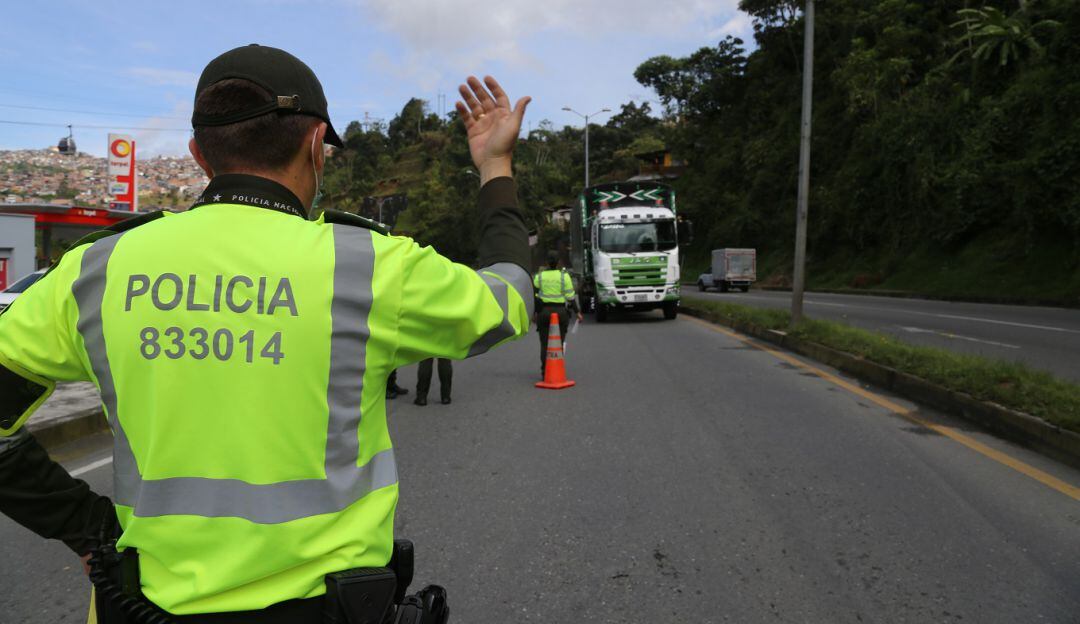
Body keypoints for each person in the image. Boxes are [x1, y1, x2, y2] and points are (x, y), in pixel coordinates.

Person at [0, 44, 533, 622]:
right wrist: (494, 167)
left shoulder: (95, 271)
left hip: (141, 605)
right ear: (315, 145)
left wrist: (87, 529)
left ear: (199, 155)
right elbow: (507, 298)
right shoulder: (370, 266)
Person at [533, 255, 583, 377]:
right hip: (560, 312)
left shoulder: (539, 276)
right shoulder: (564, 276)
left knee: (544, 344)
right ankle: (556, 370)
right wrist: (577, 312)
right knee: (558, 343)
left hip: (544, 312)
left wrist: (534, 312)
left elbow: (533, 294)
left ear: (546, 263)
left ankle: (545, 371)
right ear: (558, 263)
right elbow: (570, 297)